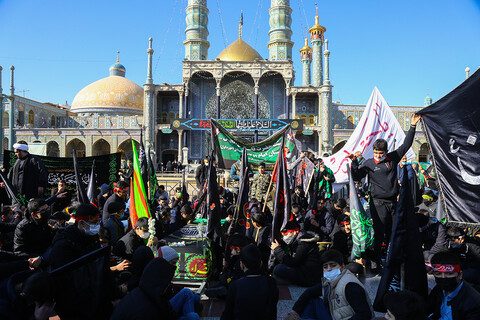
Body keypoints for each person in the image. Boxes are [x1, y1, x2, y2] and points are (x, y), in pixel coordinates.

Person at [349, 113, 422, 264]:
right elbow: (357, 176)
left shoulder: (392, 158)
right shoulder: (369, 163)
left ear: (386, 152)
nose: (378, 156)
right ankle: (376, 260)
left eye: (380, 153)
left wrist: (413, 126)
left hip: (393, 202)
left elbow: (406, 145)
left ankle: (392, 259)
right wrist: (354, 163)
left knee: (393, 232)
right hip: (378, 203)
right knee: (379, 232)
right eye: (375, 153)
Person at [285, 249, 374, 320]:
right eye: (325, 266)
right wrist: (294, 312)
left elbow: (364, 314)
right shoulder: (331, 281)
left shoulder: (349, 285)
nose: (329, 269)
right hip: (335, 314)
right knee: (311, 300)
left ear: (342, 266)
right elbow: (310, 292)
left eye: (333, 265)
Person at [111, 258, 200, 320]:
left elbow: (166, 308)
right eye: (166, 283)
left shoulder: (146, 290)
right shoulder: (148, 309)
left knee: (191, 300)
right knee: (193, 316)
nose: (168, 285)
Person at [221, 244, 278, 320]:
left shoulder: (235, 286)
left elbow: (227, 314)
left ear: (242, 265)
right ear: (260, 263)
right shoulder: (271, 283)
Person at [427, 251, 480, 319]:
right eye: (438, 274)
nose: (443, 277)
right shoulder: (439, 289)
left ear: (460, 275)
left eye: (449, 274)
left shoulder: (473, 302)